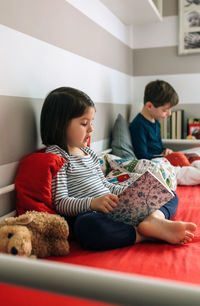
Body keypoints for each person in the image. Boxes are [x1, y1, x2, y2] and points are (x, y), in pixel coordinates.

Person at [40, 86, 196, 251]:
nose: (91, 129)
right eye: (84, 123)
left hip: (115, 208)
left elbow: (105, 185)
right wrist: (93, 204)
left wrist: (129, 191)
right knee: (87, 226)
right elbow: (61, 203)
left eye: (91, 123)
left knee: (169, 193)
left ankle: (154, 219)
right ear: (59, 125)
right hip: (92, 213)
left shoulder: (89, 153)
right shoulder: (57, 156)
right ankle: (141, 234)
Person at [129, 80, 179, 160]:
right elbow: (141, 156)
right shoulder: (138, 125)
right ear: (149, 106)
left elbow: (156, 148)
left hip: (160, 160)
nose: (169, 114)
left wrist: (165, 150)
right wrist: (164, 158)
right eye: (165, 110)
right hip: (153, 164)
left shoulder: (156, 122)